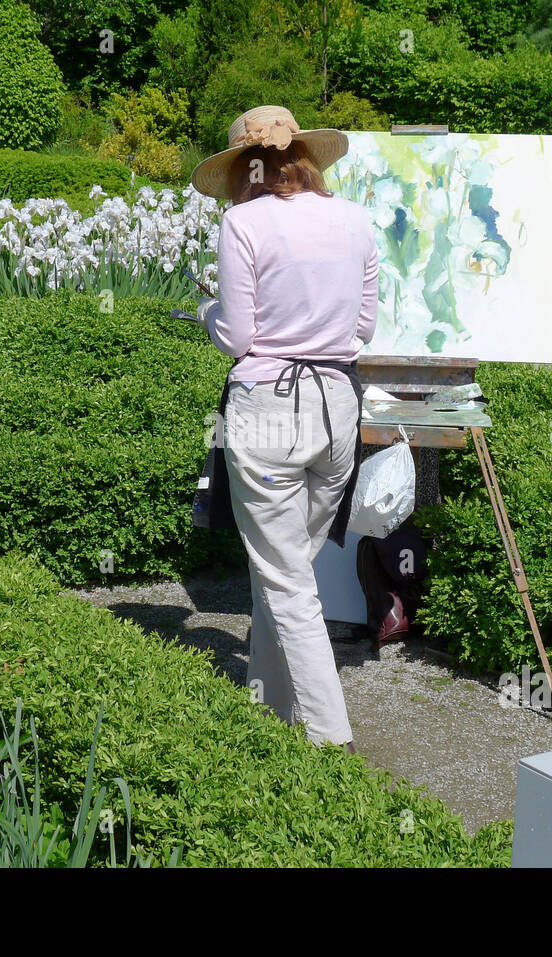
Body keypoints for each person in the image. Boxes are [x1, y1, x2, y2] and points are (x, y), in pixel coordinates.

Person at [189, 105, 379, 754]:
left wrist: (206, 311)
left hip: (269, 411)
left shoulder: (242, 222)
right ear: (305, 155)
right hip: (338, 411)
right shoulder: (355, 219)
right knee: (288, 567)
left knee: (288, 582)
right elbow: (362, 330)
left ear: (245, 166)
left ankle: (331, 746)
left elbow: (240, 338)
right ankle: (268, 705)